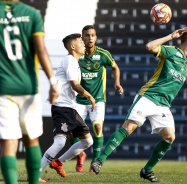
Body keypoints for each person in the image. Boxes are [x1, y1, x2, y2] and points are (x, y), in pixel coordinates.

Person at [91, 27, 187, 182]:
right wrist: (171, 36)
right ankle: (99, 160)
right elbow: (149, 47)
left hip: (163, 105)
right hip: (148, 96)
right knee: (129, 127)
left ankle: (147, 170)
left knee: (169, 137)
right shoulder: (171, 52)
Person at [0, 0, 59, 183]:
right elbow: (41, 50)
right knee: (31, 139)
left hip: (3, 87)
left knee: (8, 142)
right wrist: (52, 82)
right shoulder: (32, 13)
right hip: (29, 86)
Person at [40, 34, 96, 178]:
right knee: (59, 142)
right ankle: (36, 173)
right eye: (80, 42)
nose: (84, 44)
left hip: (70, 108)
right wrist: (89, 96)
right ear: (72, 47)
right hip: (62, 107)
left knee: (87, 141)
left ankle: (58, 162)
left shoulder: (75, 63)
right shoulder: (69, 60)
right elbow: (74, 85)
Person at [71, 25, 124, 172]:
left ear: (96, 37)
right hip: (79, 100)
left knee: (98, 127)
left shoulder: (103, 54)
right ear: (82, 38)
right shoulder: (76, 55)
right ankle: (81, 155)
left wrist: (117, 82)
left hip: (98, 99)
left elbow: (115, 67)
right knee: (72, 132)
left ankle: (95, 162)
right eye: (87, 35)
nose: (90, 38)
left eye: (93, 35)